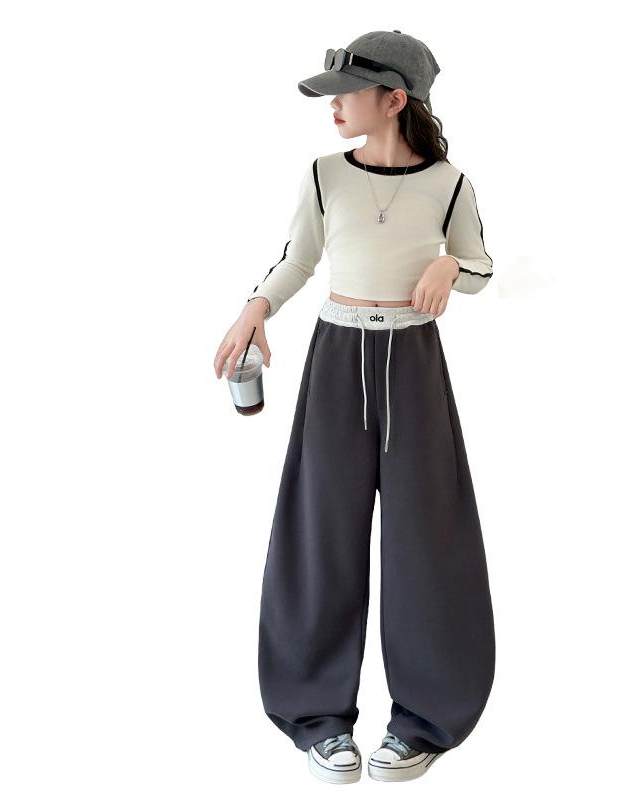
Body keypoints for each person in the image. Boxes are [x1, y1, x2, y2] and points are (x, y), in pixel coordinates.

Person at [214, 29, 496, 784]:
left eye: (346, 94)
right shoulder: (324, 174)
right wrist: (254, 309)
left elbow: (480, 265)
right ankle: (318, 720)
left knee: (428, 540)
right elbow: (298, 258)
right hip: (336, 358)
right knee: (320, 535)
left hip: (414, 365)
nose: (333, 108)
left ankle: (423, 722)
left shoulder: (450, 184)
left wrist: (448, 265)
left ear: (394, 99)